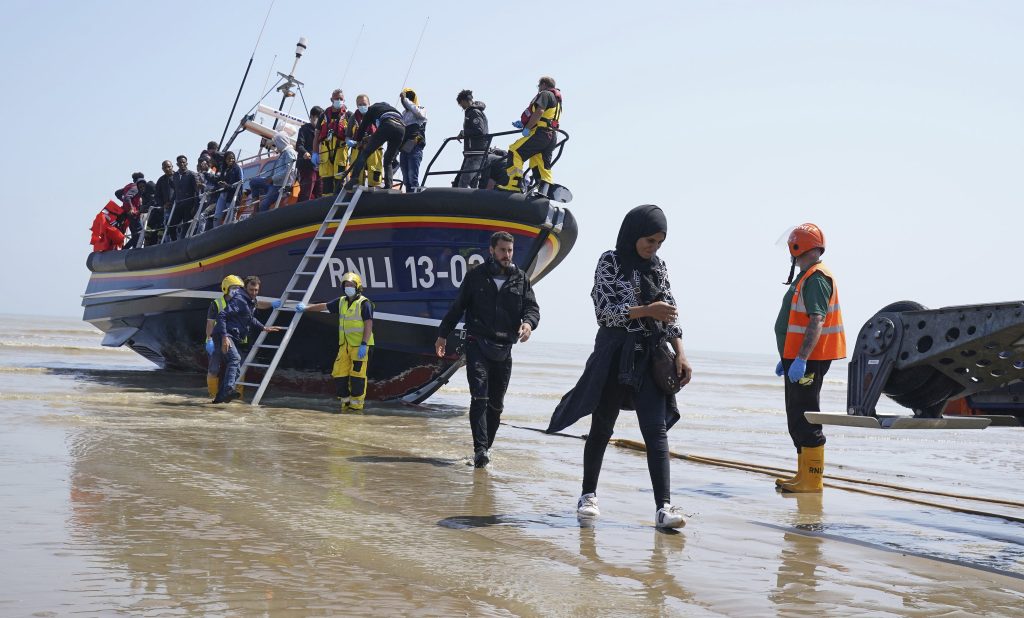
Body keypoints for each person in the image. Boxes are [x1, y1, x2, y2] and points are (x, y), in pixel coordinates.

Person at [547, 205, 692, 529]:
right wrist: (645, 310)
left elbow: (669, 313)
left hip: (650, 356)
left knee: (655, 432)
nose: (653, 248)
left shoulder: (659, 267)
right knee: (602, 426)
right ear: (633, 233)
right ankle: (588, 495)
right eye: (649, 240)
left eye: (659, 242)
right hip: (614, 354)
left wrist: (680, 352)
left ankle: (663, 508)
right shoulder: (609, 261)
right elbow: (604, 311)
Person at [435, 231, 540, 468]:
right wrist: (443, 335)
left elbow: (532, 308)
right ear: (491, 251)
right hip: (477, 343)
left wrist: (528, 323)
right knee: (479, 397)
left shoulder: (521, 279)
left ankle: (485, 450)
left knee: (496, 405)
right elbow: (457, 308)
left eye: (510, 250)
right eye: (502, 250)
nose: (507, 255)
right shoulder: (476, 277)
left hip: (505, 349)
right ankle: (480, 449)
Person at [772, 223, 846, 493]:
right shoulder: (807, 276)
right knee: (796, 415)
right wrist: (788, 356)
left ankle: (812, 481)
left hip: (808, 360)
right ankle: (803, 475)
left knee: (805, 416)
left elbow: (817, 321)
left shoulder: (815, 278)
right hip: (797, 359)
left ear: (797, 247)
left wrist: (801, 358)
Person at [296, 272, 375, 412]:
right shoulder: (342, 301)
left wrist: (364, 343)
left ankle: (356, 408)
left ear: (358, 287)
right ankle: (345, 405)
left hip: (359, 346)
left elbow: (368, 323)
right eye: (346, 285)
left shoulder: (364, 303)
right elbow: (324, 306)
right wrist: (306, 308)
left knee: (357, 377)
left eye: (351, 285)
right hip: (344, 345)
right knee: (339, 374)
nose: (348, 287)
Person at [212, 275, 281, 403]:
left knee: (237, 366)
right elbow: (221, 315)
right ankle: (227, 390)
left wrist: (264, 327)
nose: (254, 293)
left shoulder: (251, 301)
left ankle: (219, 398)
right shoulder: (239, 299)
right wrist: (224, 337)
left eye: (256, 290)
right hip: (223, 335)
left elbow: (249, 318)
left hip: (232, 335)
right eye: (251, 290)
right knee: (235, 359)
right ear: (245, 288)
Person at [497, 76, 562, 195]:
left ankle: (515, 184)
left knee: (515, 150)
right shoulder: (557, 101)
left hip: (540, 133)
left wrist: (527, 128)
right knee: (539, 161)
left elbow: (539, 111)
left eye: (539, 86)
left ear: (543, 84)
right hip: (551, 135)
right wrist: (524, 124)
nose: (538, 88)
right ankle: (544, 188)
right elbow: (546, 117)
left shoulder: (545, 94)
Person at [345, 101, 405, 191]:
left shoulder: (371, 109)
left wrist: (358, 141)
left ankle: (354, 178)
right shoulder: (393, 110)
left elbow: (362, 128)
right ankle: (388, 185)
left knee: (365, 153)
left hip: (387, 124)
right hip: (402, 129)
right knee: (388, 160)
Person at [206, 275, 244, 398]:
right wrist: (209, 339)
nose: (237, 290)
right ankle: (212, 395)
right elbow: (210, 323)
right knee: (214, 370)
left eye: (239, 288)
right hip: (217, 340)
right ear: (226, 288)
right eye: (234, 288)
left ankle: (238, 396)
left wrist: (272, 304)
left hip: (234, 340)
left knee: (238, 368)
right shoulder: (216, 304)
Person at [314, 89, 350, 195]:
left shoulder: (349, 115)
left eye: (341, 99)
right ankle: (326, 204)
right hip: (325, 152)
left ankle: (339, 201)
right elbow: (316, 136)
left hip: (340, 151)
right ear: (331, 99)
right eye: (336, 98)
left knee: (340, 179)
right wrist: (315, 153)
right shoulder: (323, 116)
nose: (338, 100)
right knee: (326, 180)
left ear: (344, 100)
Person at [248, 133, 296, 213]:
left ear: (280, 142)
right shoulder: (283, 152)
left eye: (276, 143)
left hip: (280, 186)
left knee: (264, 205)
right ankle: (255, 208)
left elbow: (289, 170)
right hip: (274, 183)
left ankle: (260, 219)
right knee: (254, 182)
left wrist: (272, 178)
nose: (275, 146)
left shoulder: (289, 152)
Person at [454, 89, 489, 188]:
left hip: (476, 153)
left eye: (461, 104)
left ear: (464, 101)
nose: (461, 107)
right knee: (472, 183)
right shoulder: (473, 112)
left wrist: (464, 133)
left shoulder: (474, 112)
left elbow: (479, 130)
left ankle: (462, 203)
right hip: (474, 153)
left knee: (463, 183)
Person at [347, 94, 383, 187]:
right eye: (360, 104)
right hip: (358, 149)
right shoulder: (353, 118)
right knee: (357, 176)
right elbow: (348, 135)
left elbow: (382, 131)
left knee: (375, 175)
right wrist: (349, 141)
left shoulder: (377, 115)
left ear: (369, 104)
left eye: (364, 104)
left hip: (374, 149)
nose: (362, 106)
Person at [398, 88, 427, 191]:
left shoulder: (421, 109)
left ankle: (416, 198)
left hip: (415, 146)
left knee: (412, 177)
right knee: (405, 178)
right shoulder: (403, 114)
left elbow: (419, 114)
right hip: (404, 148)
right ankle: (408, 200)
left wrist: (406, 100)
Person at [170, 155, 202, 239]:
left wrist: (195, 207)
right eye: (180, 162)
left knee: (186, 227)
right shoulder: (175, 175)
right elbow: (175, 191)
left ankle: (183, 243)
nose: (182, 164)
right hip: (179, 205)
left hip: (189, 205)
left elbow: (197, 191)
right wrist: (170, 202)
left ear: (186, 163)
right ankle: (174, 244)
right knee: (171, 226)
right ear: (177, 164)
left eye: (184, 162)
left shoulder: (192, 174)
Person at [296, 105, 323, 202]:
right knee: (307, 191)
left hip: (320, 165)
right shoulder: (304, 129)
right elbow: (299, 145)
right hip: (307, 165)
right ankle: (300, 212)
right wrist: (305, 153)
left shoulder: (322, 131)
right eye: (317, 118)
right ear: (311, 117)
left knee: (320, 192)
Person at [211, 151, 242, 227]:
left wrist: (227, 186)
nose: (231, 160)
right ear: (225, 160)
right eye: (229, 159)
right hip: (223, 194)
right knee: (217, 217)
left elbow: (239, 184)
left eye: (232, 158)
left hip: (232, 195)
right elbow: (219, 180)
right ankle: (216, 232)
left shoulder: (237, 169)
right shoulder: (224, 169)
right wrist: (218, 185)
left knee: (230, 217)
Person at [116, 172, 145, 249]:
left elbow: (117, 193)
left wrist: (124, 201)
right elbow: (127, 197)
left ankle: (134, 249)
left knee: (135, 234)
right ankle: (126, 248)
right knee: (140, 232)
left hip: (128, 214)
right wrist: (131, 207)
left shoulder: (128, 186)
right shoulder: (136, 187)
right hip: (133, 214)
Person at [154, 160, 175, 240]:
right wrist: (163, 204)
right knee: (167, 225)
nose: (167, 169)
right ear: (162, 169)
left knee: (179, 225)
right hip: (167, 208)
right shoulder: (161, 180)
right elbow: (157, 196)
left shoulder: (178, 176)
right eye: (165, 167)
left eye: (169, 167)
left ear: (172, 167)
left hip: (179, 206)